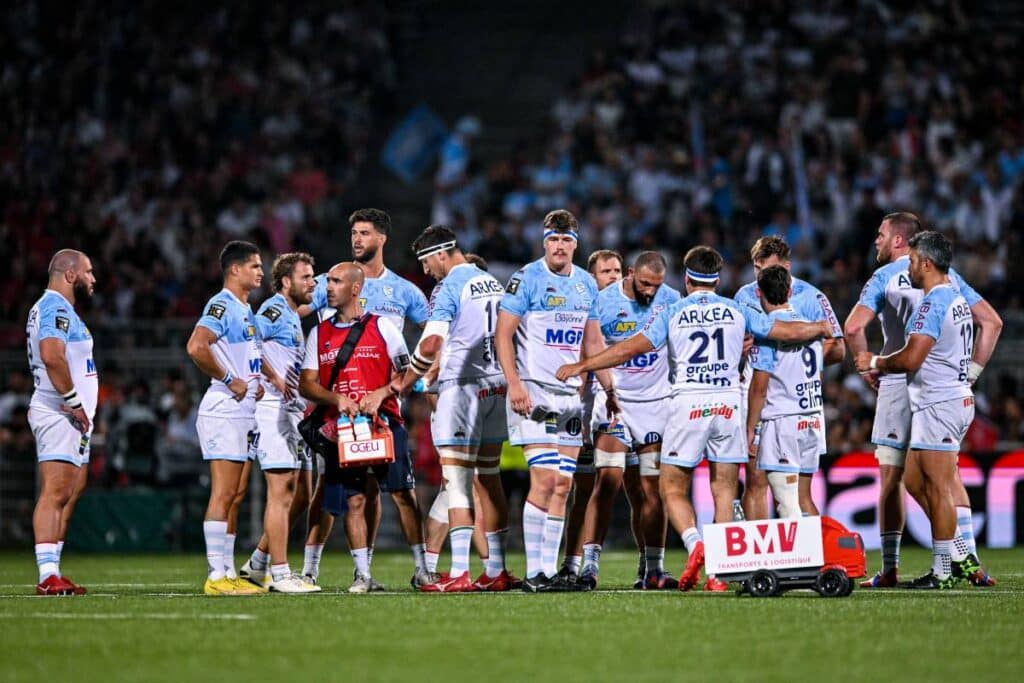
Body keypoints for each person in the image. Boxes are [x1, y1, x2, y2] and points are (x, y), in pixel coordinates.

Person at [556, 246, 832, 592]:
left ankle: (694, 544)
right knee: (724, 490)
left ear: (686, 279)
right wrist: (819, 327)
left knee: (670, 488)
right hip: (729, 406)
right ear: (718, 279)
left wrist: (582, 366)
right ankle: (719, 572)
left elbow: (632, 347)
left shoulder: (674, 309)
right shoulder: (737, 308)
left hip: (687, 404)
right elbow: (780, 330)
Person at [845, 213, 1002, 587]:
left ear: (904, 244)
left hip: (913, 381)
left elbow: (853, 327)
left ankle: (904, 568)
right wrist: (972, 374)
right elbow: (993, 322)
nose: (876, 242)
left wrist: (871, 366)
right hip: (943, 384)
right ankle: (967, 556)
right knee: (934, 477)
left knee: (899, 478)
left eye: (881, 235)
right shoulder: (952, 281)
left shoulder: (895, 282)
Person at [303, 208, 431, 588]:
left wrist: (425, 383)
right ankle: (311, 567)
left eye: (364, 233)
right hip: (337, 411)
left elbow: (432, 334)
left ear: (381, 239)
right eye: (353, 233)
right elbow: (298, 305)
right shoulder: (331, 281)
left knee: (383, 491)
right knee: (332, 489)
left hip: (384, 407)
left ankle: (374, 567)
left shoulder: (405, 291)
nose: (356, 239)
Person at [496, 209, 614, 592]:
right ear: (543, 242)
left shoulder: (585, 285)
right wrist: (513, 384)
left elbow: (593, 343)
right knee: (544, 479)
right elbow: (503, 336)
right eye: (553, 239)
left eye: (566, 240)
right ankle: (535, 572)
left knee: (563, 485)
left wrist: (609, 388)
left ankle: (549, 572)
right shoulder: (526, 278)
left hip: (570, 398)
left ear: (575, 245)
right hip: (534, 391)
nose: (559, 246)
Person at [392, 225, 514, 592]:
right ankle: (496, 570)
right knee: (490, 480)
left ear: (441, 254)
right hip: (497, 388)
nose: (427, 271)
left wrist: (404, 380)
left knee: (458, 480)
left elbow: (430, 345)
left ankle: (459, 571)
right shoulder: (493, 282)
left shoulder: (449, 287)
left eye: (427, 262)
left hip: (463, 390)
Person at [571, 251, 680, 590]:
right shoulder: (603, 302)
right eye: (645, 283)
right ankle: (589, 566)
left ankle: (653, 569)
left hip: (656, 404)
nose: (650, 291)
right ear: (631, 274)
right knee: (608, 480)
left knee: (650, 489)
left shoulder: (672, 300)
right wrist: (604, 387)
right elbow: (591, 347)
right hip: (615, 400)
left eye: (656, 285)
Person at [733, 236, 845, 519]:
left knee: (795, 496)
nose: (761, 276)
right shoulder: (744, 296)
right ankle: (763, 559)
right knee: (756, 481)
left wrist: (791, 361)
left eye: (768, 269)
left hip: (786, 405)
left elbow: (838, 349)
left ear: (786, 266)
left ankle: (813, 559)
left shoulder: (812, 297)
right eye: (757, 269)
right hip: (758, 400)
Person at [185, 241, 265, 596]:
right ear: (235, 269)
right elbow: (196, 346)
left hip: (242, 410)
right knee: (223, 492)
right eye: (255, 266)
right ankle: (216, 576)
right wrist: (229, 379)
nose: (261, 272)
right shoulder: (222, 305)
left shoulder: (245, 308)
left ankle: (229, 573)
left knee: (236, 494)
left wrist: (253, 383)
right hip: (224, 410)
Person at [238, 252, 320, 593]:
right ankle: (282, 573)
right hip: (272, 409)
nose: (312, 283)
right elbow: (249, 339)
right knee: (280, 491)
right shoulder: (272, 310)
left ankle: (258, 562)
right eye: (306, 277)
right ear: (286, 282)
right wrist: (272, 375)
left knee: (302, 492)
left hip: (290, 412)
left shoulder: (291, 312)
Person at [27, 249, 97, 595]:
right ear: (70, 275)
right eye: (88, 271)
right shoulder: (54, 307)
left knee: (69, 491)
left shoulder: (61, 309)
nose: (93, 279)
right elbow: (52, 357)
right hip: (58, 412)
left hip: (71, 416)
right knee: (55, 491)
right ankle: (46, 575)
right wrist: (73, 403)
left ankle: (53, 569)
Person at [746, 266, 825, 518]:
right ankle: (820, 555)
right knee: (803, 499)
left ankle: (806, 558)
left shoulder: (768, 330)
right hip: (812, 417)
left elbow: (759, 387)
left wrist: (750, 428)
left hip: (784, 421)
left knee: (787, 502)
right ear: (790, 291)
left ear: (759, 293)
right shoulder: (812, 328)